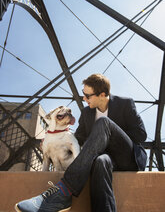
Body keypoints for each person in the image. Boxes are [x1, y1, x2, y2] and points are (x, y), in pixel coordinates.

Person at [15, 73, 147, 212]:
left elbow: (141, 135)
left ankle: (64, 192)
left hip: (127, 156)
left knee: (104, 123)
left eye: (88, 96)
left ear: (102, 95)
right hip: (107, 159)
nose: (84, 98)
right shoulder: (87, 113)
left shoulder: (125, 104)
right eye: (83, 94)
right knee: (100, 161)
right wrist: (54, 140)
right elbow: (78, 138)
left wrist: (109, 136)